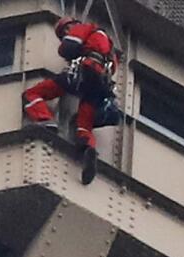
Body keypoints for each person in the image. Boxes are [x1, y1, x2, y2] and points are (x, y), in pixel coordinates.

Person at [22, 17, 122, 185]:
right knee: (83, 123)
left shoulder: (84, 28)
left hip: (83, 74)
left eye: (64, 32)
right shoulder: (109, 47)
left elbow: (68, 47)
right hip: (100, 85)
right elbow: (112, 68)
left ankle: (44, 120)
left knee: (31, 94)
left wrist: (69, 46)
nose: (64, 35)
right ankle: (87, 148)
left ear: (70, 26)